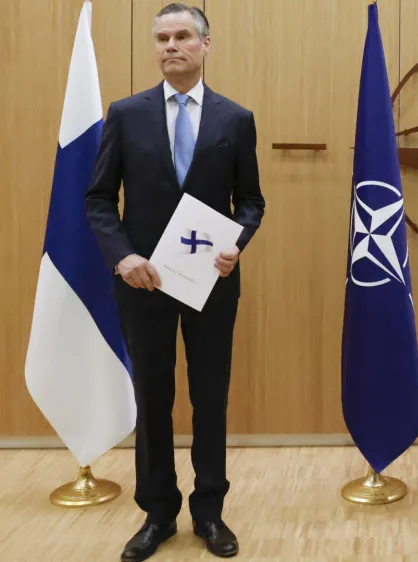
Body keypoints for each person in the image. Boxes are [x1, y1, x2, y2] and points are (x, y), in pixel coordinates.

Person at [85, 4, 265, 560]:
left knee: (210, 398)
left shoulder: (235, 119)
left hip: (211, 283)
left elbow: (251, 201)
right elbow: (97, 199)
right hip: (143, 284)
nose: (171, 46)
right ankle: (158, 514)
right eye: (162, 37)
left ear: (205, 45)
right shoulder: (126, 114)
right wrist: (123, 257)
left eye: (182, 36)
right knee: (153, 397)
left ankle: (209, 512)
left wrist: (238, 242)